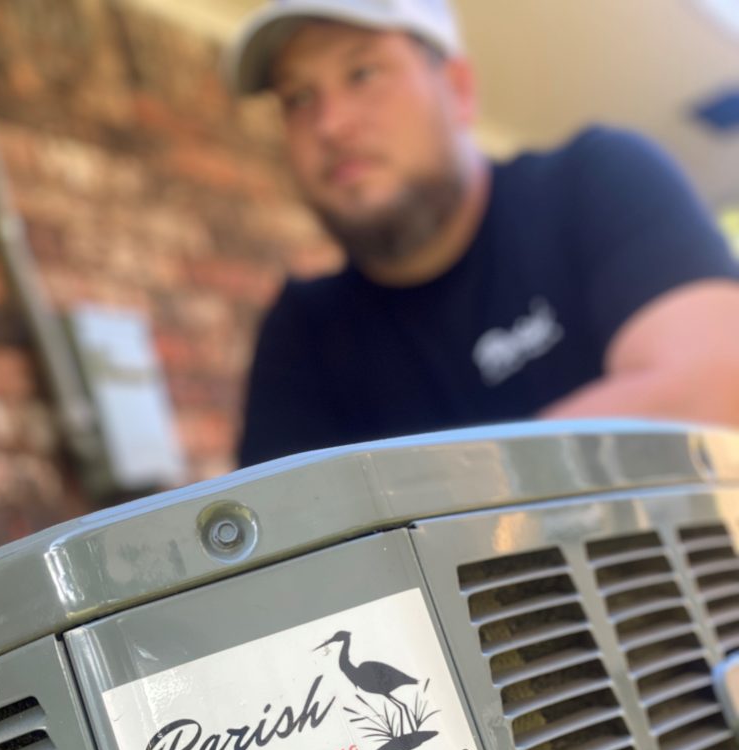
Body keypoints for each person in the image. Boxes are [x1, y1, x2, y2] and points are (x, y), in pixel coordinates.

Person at [231, 0, 739, 467]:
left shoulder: (594, 182)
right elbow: (281, 542)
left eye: (363, 72)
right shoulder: (304, 333)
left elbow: (713, 393)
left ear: (458, 88)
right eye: (298, 97)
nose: (330, 124)